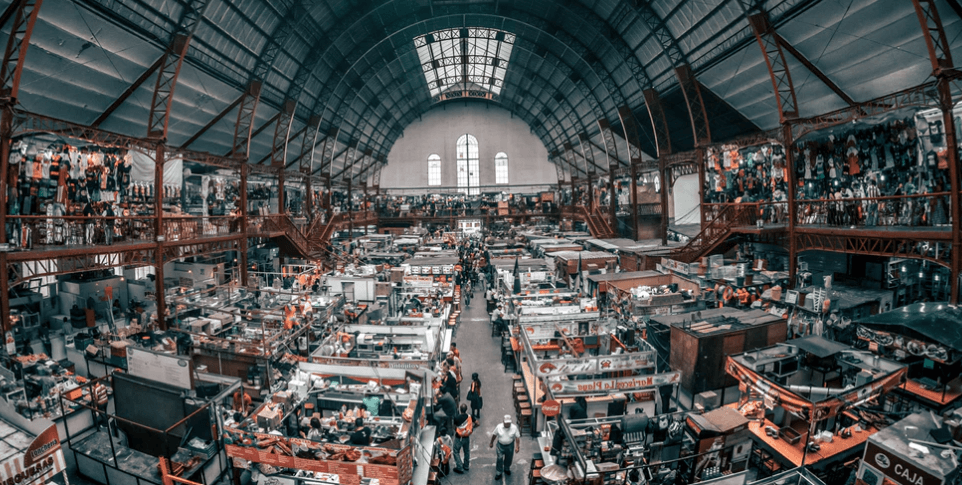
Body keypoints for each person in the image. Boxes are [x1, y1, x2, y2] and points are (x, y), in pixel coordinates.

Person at [488, 414, 521, 480]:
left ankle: (506, 468)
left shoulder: (514, 428)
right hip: (500, 445)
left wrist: (517, 446)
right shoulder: (499, 427)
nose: (507, 424)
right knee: (499, 458)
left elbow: (517, 437)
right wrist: (491, 442)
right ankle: (498, 472)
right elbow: (494, 435)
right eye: (506, 423)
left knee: (509, 458)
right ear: (503, 422)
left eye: (509, 423)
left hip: (510, 446)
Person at [452, 404, 472, 474]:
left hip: (459, 438)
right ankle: (466, 466)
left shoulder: (456, 418)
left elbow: (454, 426)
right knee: (466, 451)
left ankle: (459, 467)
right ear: (466, 409)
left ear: (460, 409)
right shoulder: (469, 417)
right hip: (466, 437)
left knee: (456, 451)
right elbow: (476, 424)